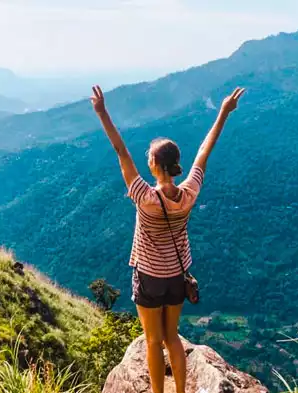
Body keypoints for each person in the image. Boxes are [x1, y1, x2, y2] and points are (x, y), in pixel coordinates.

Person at [91, 85, 245, 393]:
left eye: (148, 156)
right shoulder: (188, 194)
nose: (145, 158)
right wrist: (223, 113)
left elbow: (121, 151)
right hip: (176, 275)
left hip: (148, 277)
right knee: (172, 336)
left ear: (155, 165)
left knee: (152, 340)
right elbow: (204, 152)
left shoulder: (144, 197)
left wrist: (102, 113)